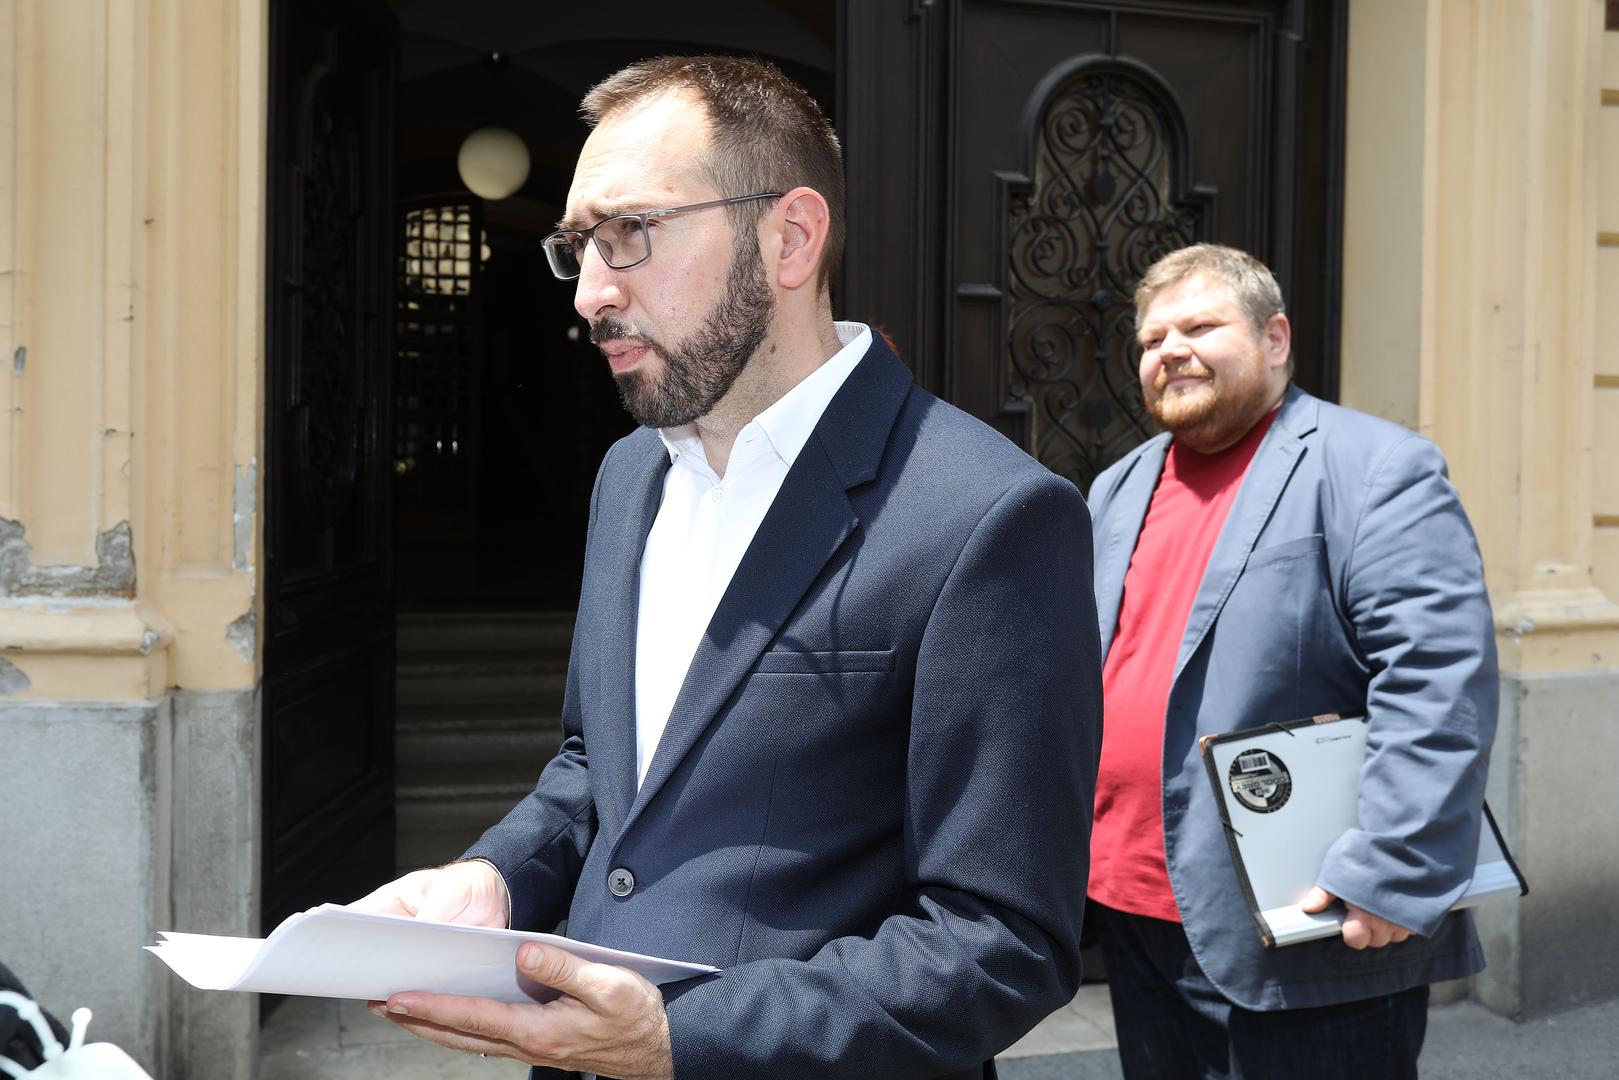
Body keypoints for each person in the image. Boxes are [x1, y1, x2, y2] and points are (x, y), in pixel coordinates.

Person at [353, 55, 1102, 1080]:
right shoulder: (628, 477)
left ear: (788, 237)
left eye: (629, 232)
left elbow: (1002, 941)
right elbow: (599, 772)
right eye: (577, 247)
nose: (591, 293)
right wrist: (496, 876)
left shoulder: (987, 515)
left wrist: (680, 1037)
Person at [1084, 243, 1498, 1079]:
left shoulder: (1375, 468)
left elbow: (1436, 680)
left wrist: (1393, 867)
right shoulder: (1115, 488)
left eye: (1199, 327)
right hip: (1132, 912)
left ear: (1274, 339)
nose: (1169, 351)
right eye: (1151, 339)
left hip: (1311, 921)